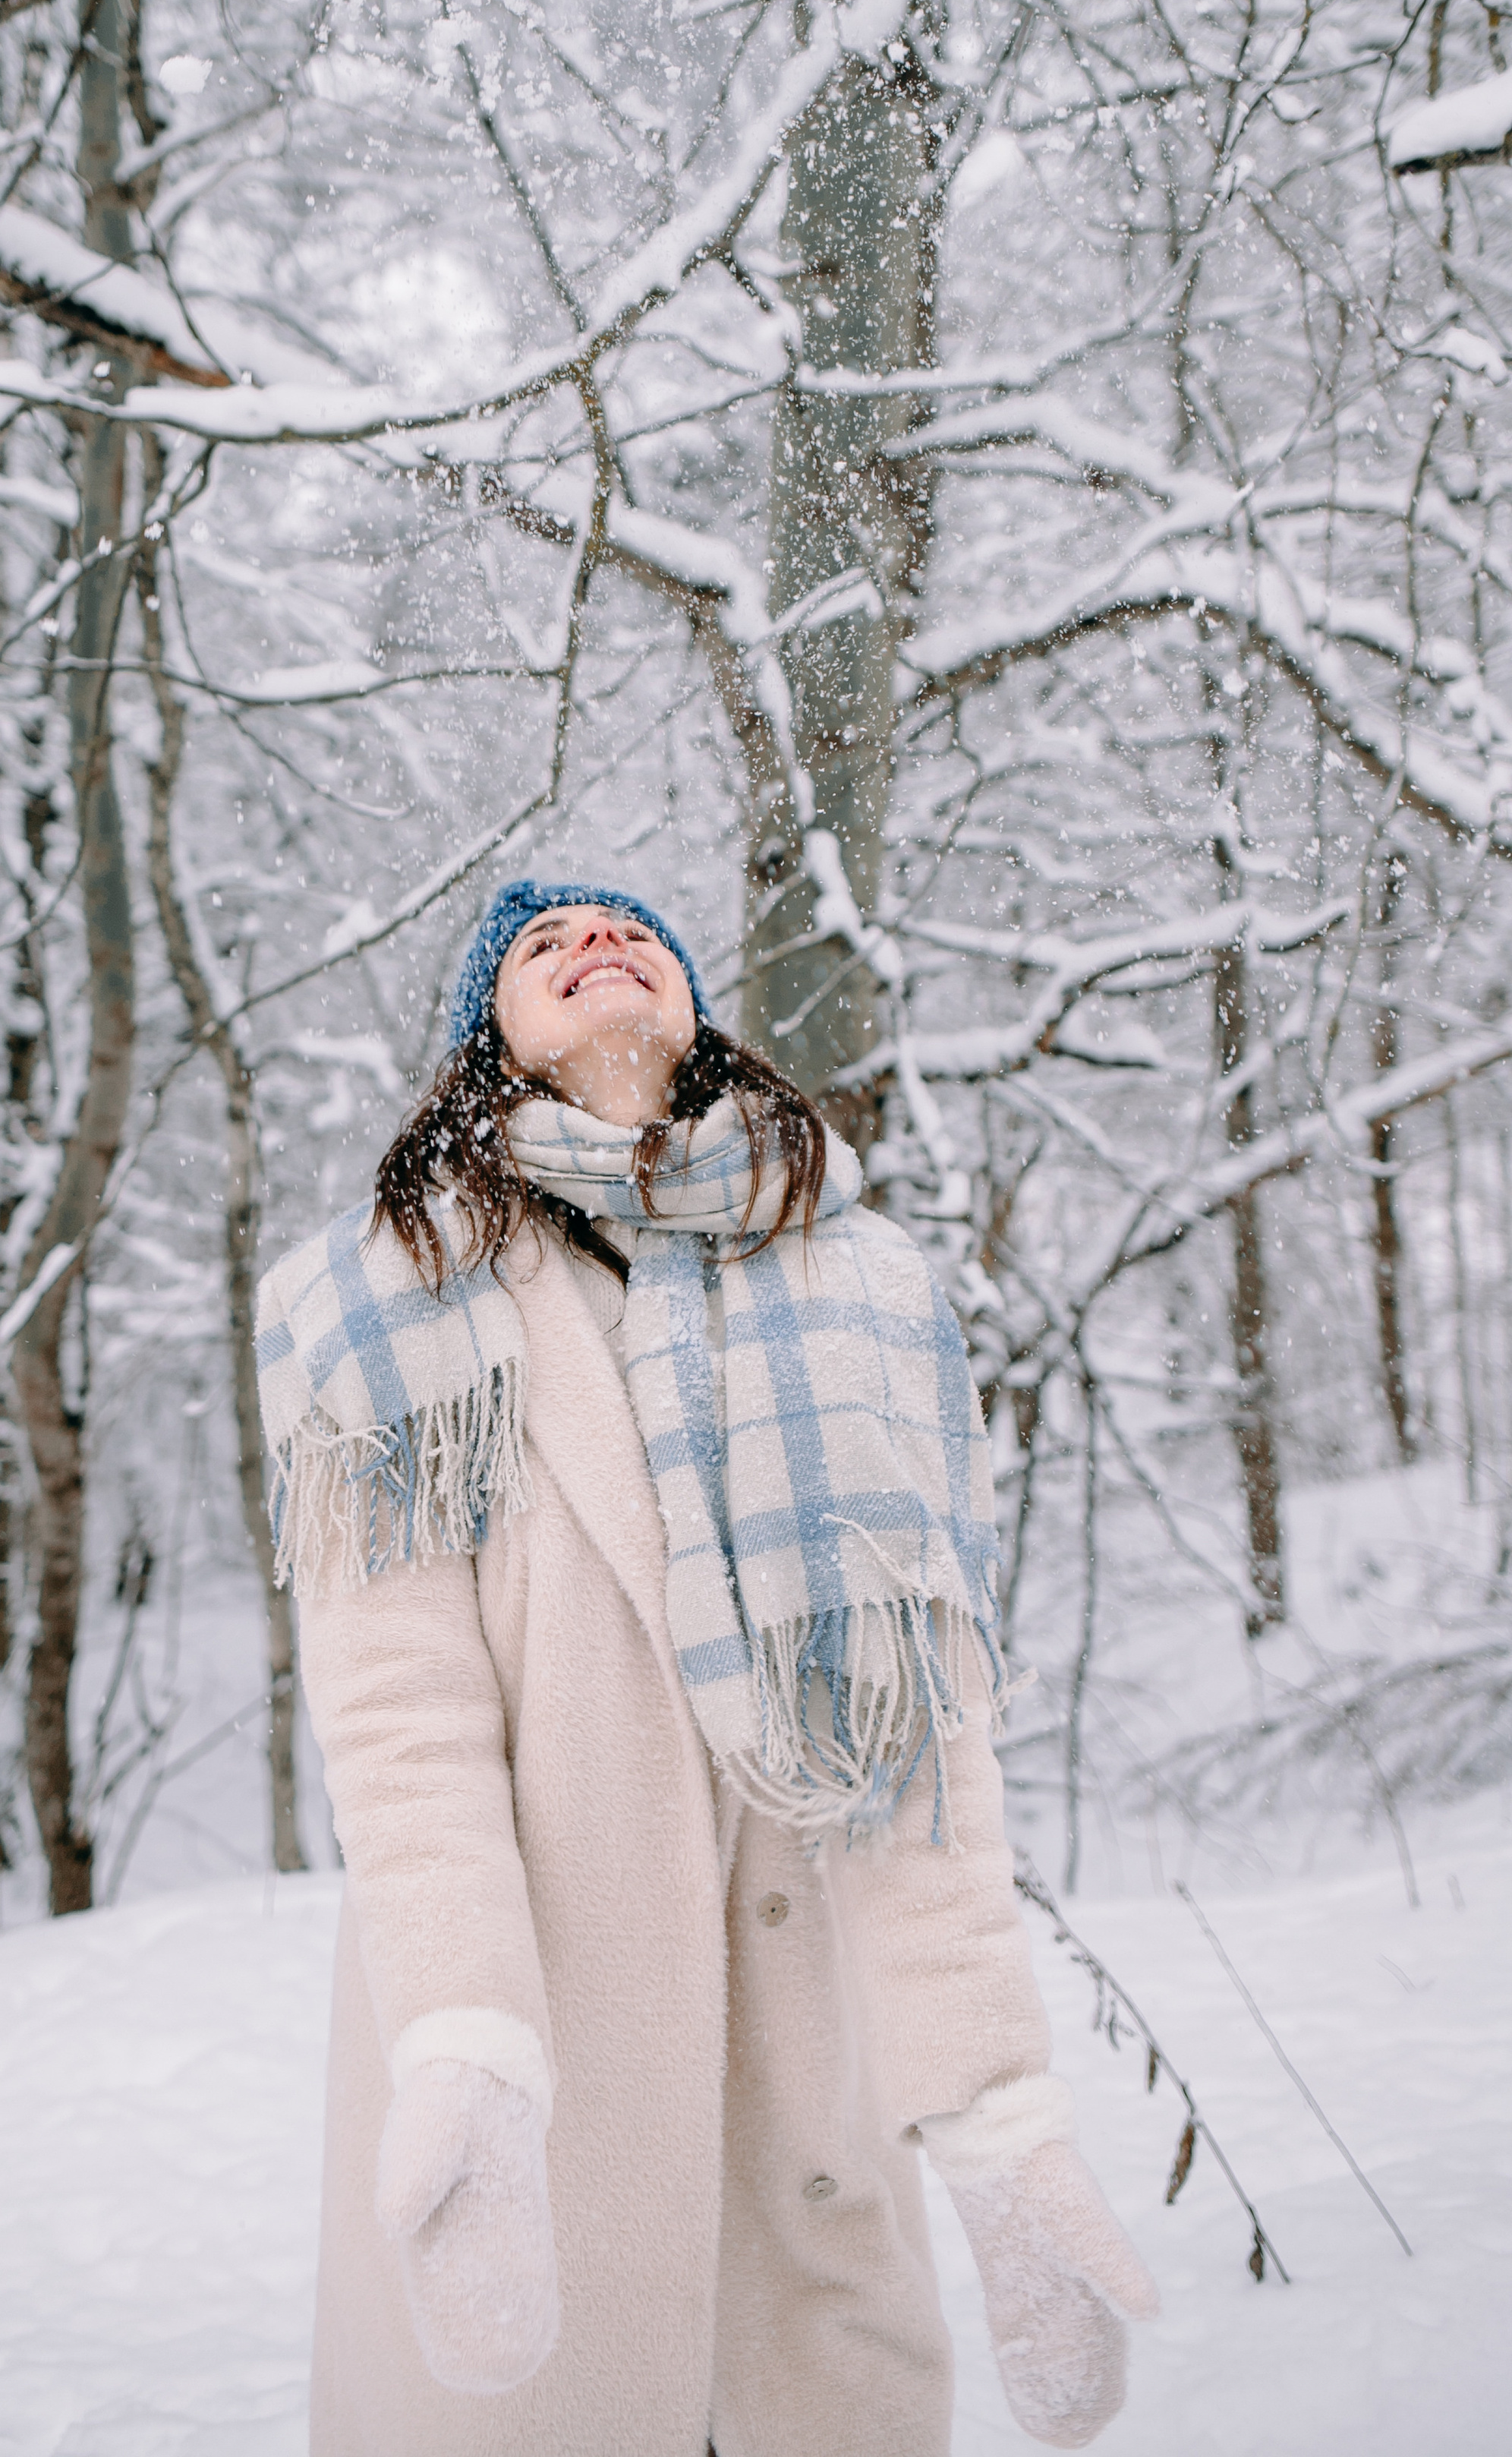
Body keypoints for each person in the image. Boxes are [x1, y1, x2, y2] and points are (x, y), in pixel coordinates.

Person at [257, 880, 1158, 2457]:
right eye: (541, 950)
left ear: (689, 1008)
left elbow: (918, 1738)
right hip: (539, 2047)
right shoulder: (383, 1302)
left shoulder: (859, 1287)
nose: (594, 949)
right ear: (493, 1043)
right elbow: (401, 1727)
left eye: (630, 935)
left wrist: (1000, 2127)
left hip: (804, 2051)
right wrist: (466, 2049)